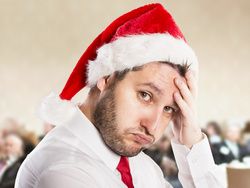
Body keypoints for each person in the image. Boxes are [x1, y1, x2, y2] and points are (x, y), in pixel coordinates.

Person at [15, 3, 226, 188]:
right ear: (106, 77)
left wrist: (191, 142)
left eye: (169, 109)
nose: (152, 127)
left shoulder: (143, 168)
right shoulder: (63, 171)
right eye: (145, 95)